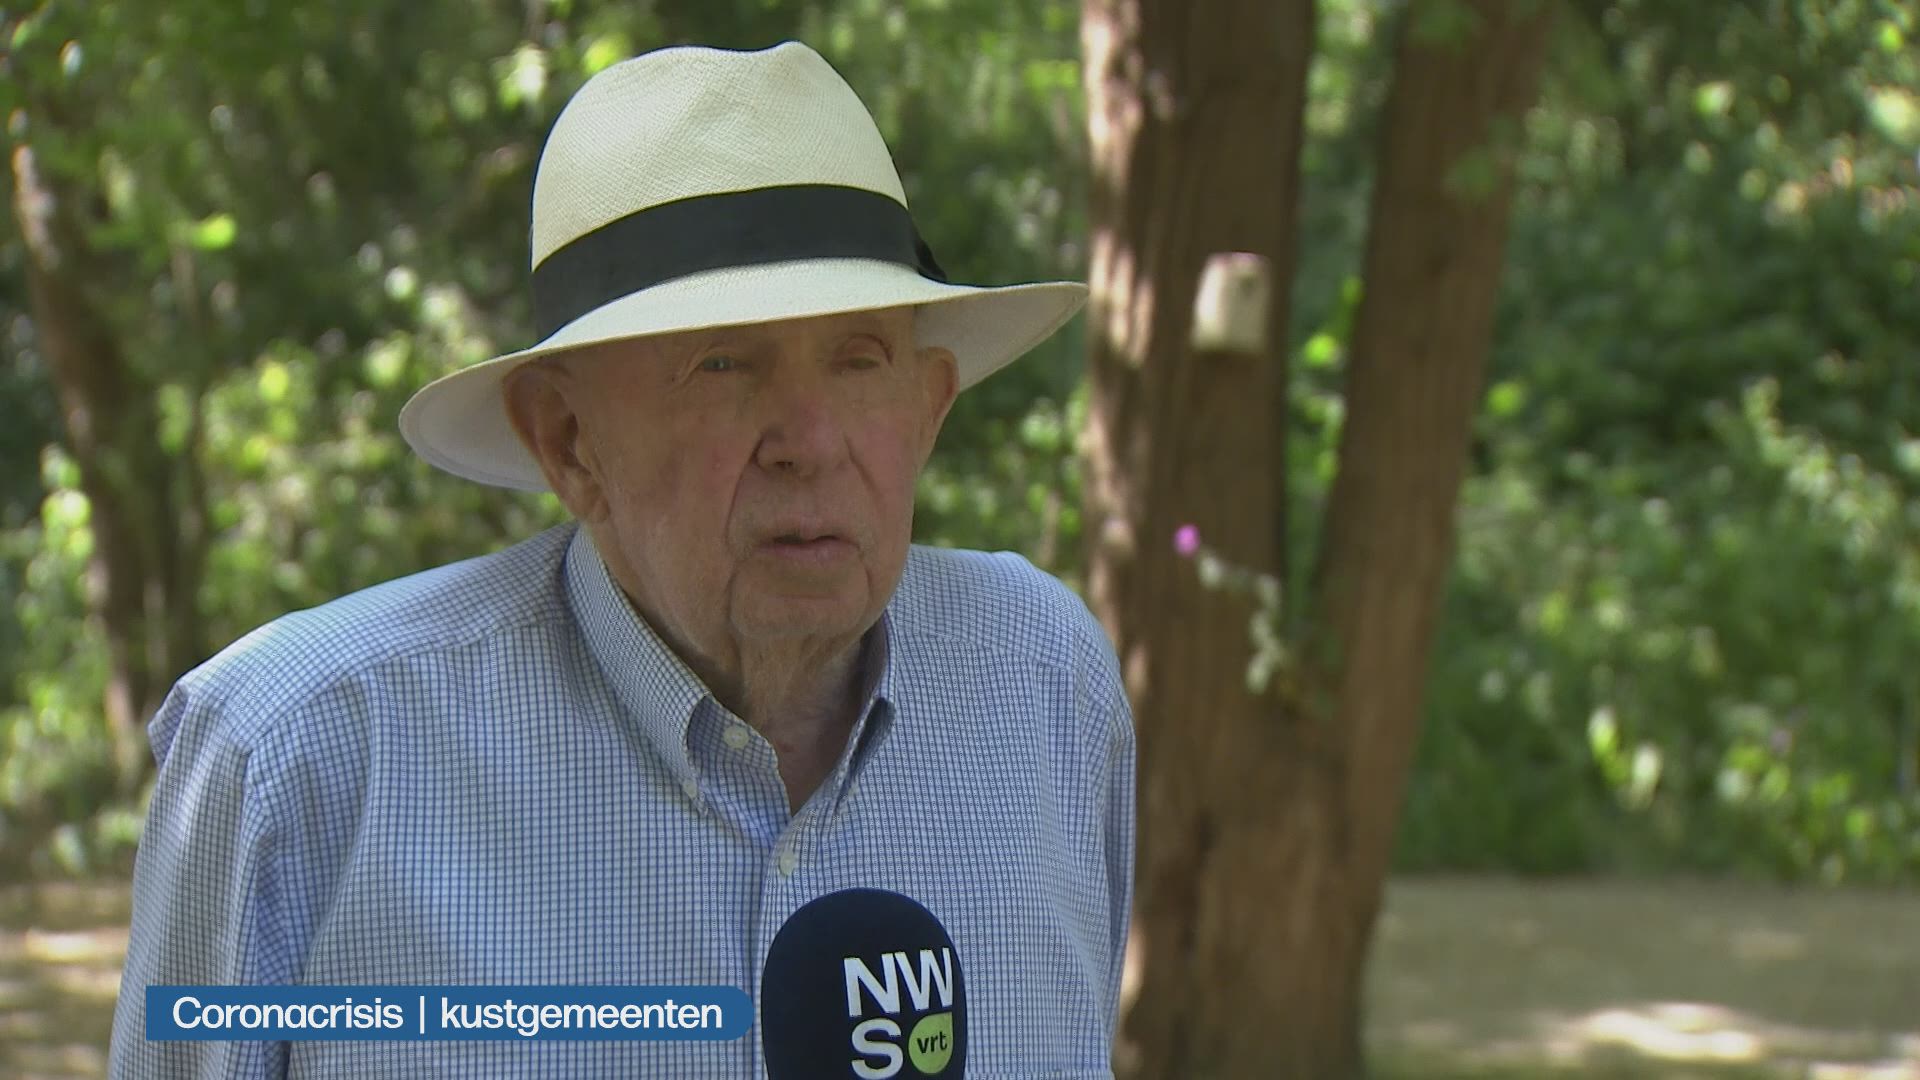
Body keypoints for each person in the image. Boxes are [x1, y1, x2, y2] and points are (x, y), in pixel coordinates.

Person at [108, 40, 1135, 1078]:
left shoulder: (1044, 688)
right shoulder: (301, 756)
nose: (810, 440)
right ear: (568, 441)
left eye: (858, 358)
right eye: (723, 362)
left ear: (928, 408)